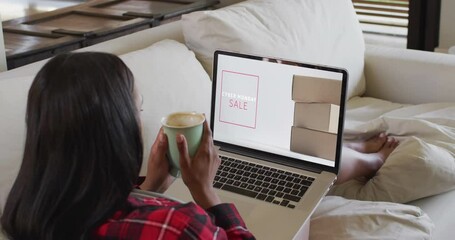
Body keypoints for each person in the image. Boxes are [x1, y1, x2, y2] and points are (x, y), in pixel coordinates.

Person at [0, 52, 255, 240]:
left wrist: (148, 188)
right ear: (117, 129)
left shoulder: (24, 218)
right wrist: (205, 192)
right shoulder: (178, 226)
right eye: (138, 109)